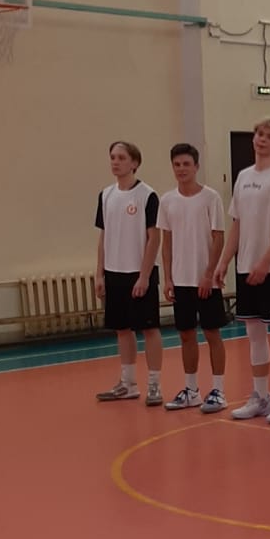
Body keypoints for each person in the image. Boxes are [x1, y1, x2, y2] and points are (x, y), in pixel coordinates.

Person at [212, 119, 270, 424]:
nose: (262, 139)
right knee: (254, 333)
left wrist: (265, 261)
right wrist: (224, 261)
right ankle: (261, 397)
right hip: (246, 265)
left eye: (269, 137)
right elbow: (237, 223)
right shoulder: (243, 176)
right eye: (259, 134)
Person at [157, 142, 227, 413]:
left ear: (196, 166)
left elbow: (218, 237)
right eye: (177, 164)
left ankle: (218, 390)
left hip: (205, 281)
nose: (182, 169)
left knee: (212, 333)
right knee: (186, 334)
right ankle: (191, 390)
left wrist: (209, 275)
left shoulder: (211, 198)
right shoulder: (167, 200)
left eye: (186, 164)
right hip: (181, 280)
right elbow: (166, 242)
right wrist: (168, 278)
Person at [94, 139, 163, 405]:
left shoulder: (147, 195)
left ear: (134, 163)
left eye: (121, 158)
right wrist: (99, 274)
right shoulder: (105, 195)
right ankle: (128, 383)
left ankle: (154, 385)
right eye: (113, 157)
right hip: (114, 272)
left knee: (149, 329)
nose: (115, 162)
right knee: (122, 329)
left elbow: (154, 238)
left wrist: (144, 276)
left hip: (139, 272)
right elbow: (103, 237)